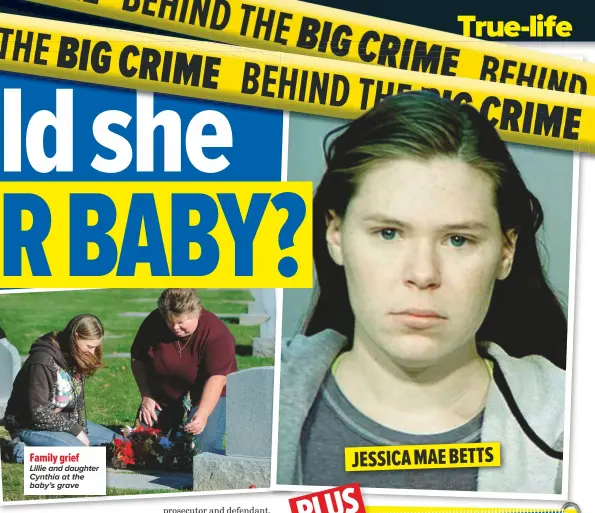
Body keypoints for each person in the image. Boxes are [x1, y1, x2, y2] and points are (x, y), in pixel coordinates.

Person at [276, 91, 568, 494]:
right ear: (336, 234)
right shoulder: (259, 401)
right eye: (389, 233)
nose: (423, 273)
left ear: (506, 251)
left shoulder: (573, 425)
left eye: (459, 240)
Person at [130, 288, 238, 455]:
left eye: (181, 322)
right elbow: (138, 358)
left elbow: (217, 378)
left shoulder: (216, 334)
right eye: (170, 321)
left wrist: (202, 413)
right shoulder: (154, 321)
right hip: (166, 388)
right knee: (143, 445)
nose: (175, 327)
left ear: (198, 312)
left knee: (200, 449)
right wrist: (147, 395)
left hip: (211, 391)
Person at [3, 314, 120, 462]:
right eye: (89, 347)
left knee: (118, 442)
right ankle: (15, 450)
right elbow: (39, 415)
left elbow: (78, 400)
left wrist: (81, 429)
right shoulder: (42, 361)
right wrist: (75, 430)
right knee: (78, 455)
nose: (92, 352)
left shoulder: (76, 354)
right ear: (76, 337)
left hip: (62, 421)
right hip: (30, 426)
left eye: (95, 347)